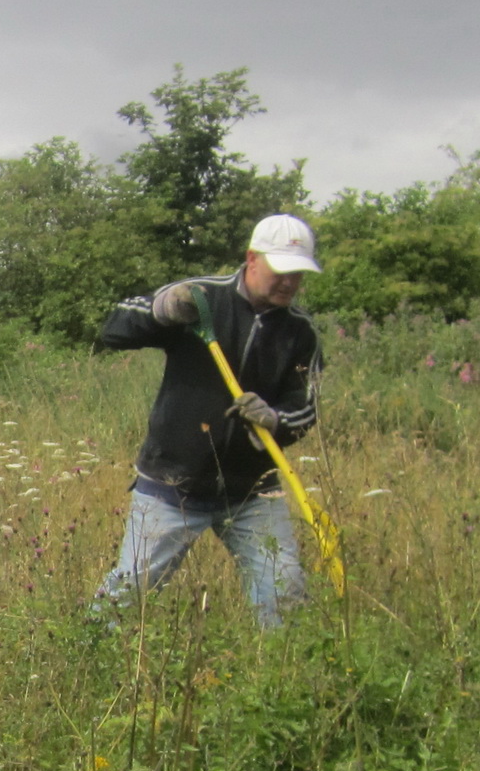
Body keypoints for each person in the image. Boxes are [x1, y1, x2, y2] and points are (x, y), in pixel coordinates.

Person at [94, 214, 324, 628]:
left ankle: (282, 665)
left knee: (285, 593)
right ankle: (91, 653)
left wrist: (273, 419)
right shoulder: (201, 298)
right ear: (251, 259)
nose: (290, 282)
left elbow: (305, 408)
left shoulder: (300, 332)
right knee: (128, 595)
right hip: (172, 484)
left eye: (298, 274)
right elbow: (115, 329)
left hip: (253, 491)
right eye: (281, 270)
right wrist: (162, 310)